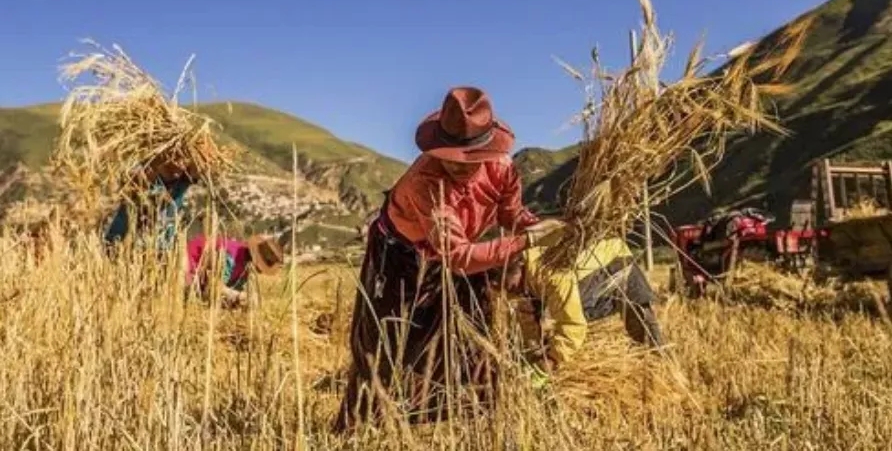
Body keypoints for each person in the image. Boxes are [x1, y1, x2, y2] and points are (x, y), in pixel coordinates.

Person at [334, 86, 565, 431]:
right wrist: (527, 240)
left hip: (461, 252)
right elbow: (457, 256)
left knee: (471, 333)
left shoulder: (502, 169)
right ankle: (358, 428)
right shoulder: (424, 183)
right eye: (452, 156)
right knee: (385, 343)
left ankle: (462, 415)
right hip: (401, 258)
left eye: (471, 157)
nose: (460, 165)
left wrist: (548, 227)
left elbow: (511, 213)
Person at [490, 235, 664, 388]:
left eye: (502, 279)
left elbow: (573, 325)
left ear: (519, 263)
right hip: (583, 281)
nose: (503, 287)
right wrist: (533, 355)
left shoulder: (551, 272)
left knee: (642, 325)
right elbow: (529, 322)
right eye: (496, 284)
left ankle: (664, 369)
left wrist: (549, 363)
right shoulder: (520, 285)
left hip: (613, 262)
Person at [103, 156, 198, 254]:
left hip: (164, 253)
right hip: (130, 249)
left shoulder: (184, 181)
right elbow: (130, 183)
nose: (181, 164)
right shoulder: (143, 175)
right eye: (177, 158)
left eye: (185, 158)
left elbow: (202, 166)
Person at [185, 233, 287, 308]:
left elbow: (234, 287)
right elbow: (214, 287)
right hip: (187, 269)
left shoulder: (246, 265)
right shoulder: (230, 257)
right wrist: (238, 296)